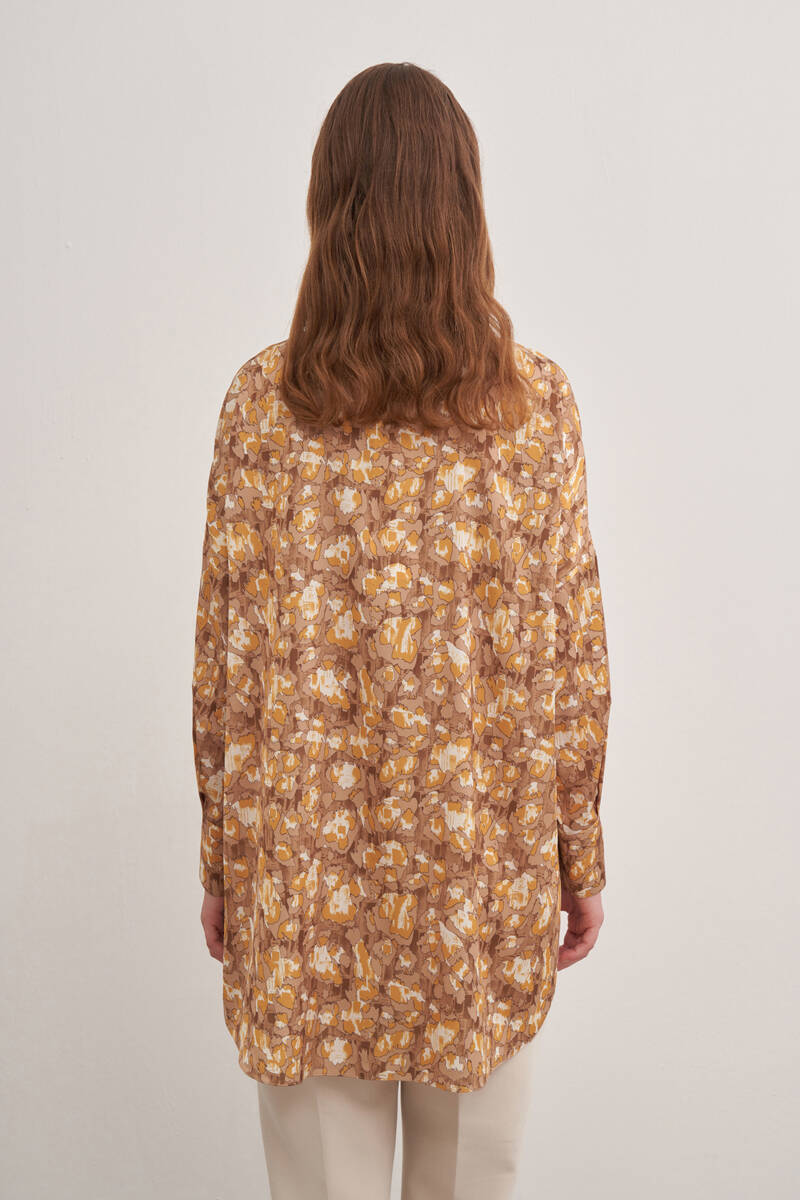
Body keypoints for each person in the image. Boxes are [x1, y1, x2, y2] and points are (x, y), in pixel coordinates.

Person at [193, 60, 611, 1200]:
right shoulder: (533, 410)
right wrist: (577, 853)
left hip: (302, 883)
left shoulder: (262, 409)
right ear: (464, 206)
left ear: (329, 206)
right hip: (480, 879)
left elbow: (224, 664)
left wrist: (224, 859)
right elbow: (573, 658)